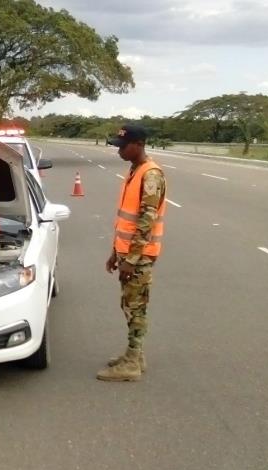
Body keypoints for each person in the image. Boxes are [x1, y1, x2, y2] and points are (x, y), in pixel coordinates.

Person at [99, 125, 167, 381]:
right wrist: (115, 252)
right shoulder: (135, 170)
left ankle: (132, 363)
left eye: (122, 146)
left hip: (139, 256)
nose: (118, 151)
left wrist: (132, 259)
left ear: (138, 144)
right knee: (129, 304)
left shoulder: (150, 174)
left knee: (136, 307)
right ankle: (134, 355)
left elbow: (145, 221)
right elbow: (127, 220)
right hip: (128, 253)